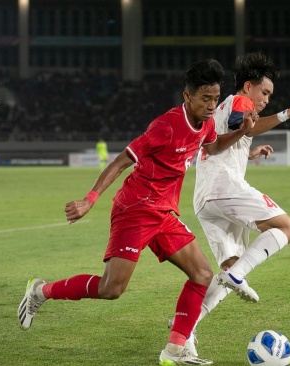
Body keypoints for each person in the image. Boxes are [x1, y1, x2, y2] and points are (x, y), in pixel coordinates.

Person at [17, 59, 258, 366]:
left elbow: (212, 148)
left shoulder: (207, 123)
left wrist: (243, 136)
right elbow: (121, 161)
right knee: (111, 289)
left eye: (215, 99)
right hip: (135, 208)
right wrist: (90, 199)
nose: (212, 106)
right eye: (205, 99)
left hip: (164, 213)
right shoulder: (165, 126)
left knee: (201, 273)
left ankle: (174, 350)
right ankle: (40, 290)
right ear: (188, 96)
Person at [185, 52, 290, 356]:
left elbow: (229, 137)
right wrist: (287, 114)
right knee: (288, 228)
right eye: (264, 92)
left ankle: (184, 332)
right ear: (247, 87)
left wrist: (249, 153)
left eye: (270, 95)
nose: (266, 99)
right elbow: (248, 127)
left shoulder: (226, 107)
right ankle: (237, 273)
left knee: (230, 269)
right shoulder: (241, 101)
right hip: (224, 188)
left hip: (205, 199)